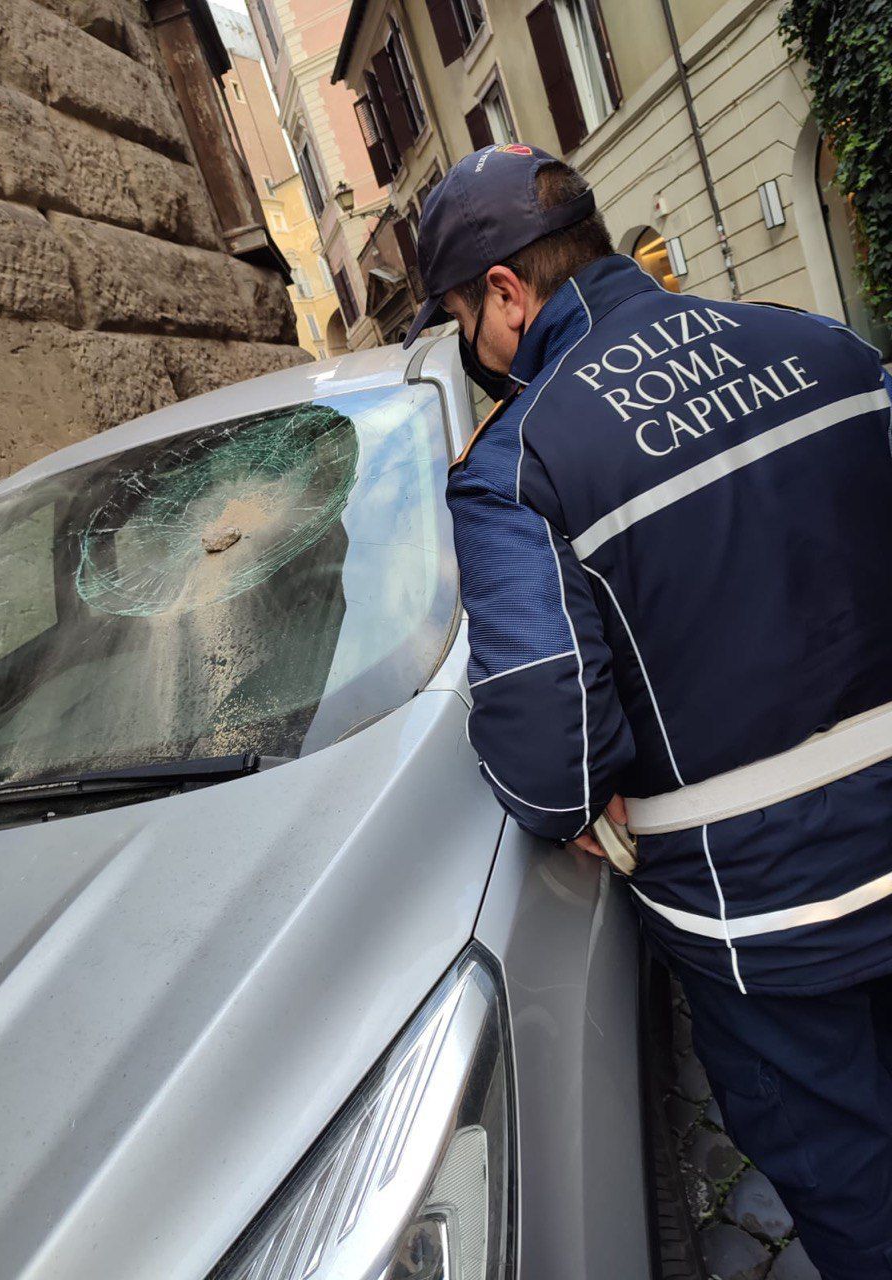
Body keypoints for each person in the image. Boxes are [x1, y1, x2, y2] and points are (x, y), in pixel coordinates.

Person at [403, 143, 892, 1280]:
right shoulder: (820, 344)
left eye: (462, 315)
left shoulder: (517, 464)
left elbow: (547, 749)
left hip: (763, 929)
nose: (473, 345)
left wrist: (577, 796)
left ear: (508, 293)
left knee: (861, 1197)